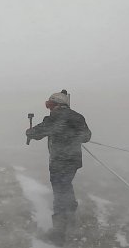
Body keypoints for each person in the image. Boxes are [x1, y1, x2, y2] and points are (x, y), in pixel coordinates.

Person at [26, 90, 91, 246]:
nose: (49, 108)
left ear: (56, 104)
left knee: (60, 193)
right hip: (73, 162)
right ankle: (71, 217)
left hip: (59, 162)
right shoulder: (78, 116)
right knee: (66, 186)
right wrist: (72, 136)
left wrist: (29, 132)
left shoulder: (55, 117)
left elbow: (38, 132)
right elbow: (87, 136)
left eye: (50, 105)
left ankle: (59, 234)